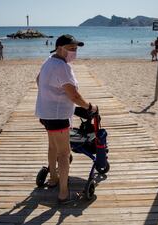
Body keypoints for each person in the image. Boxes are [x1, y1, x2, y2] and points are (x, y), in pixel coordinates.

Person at [35, 34, 98, 204]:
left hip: (45, 113)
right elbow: (74, 96)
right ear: (59, 48)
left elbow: (38, 80)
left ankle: (54, 179)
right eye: (71, 48)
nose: (74, 52)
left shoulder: (48, 61)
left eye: (76, 49)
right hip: (58, 116)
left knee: (52, 147)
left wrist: (49, 94)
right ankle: (63, 193)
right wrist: (89, 107)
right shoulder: (62, 67)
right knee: (64, 153)